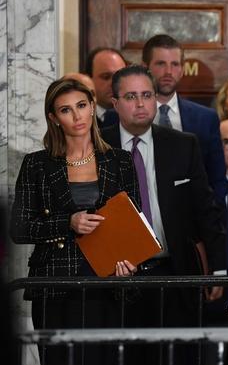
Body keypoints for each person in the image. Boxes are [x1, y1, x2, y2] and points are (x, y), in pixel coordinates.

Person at [10, 78, 139, 365]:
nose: (77, 116)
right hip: (55, 284)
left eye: (81, 105)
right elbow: (19, 228)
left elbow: (135, 222)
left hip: (108, 280)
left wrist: (130, 263)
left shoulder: (120, 160)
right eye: (66, 110)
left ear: (93, 107)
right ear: (54, 118)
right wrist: (67, 223)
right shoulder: (36, 164)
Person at [101, 65, 224, 364]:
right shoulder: (97, 148)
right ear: (115, 103)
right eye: (131, 96)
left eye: (147, 95)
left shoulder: (183, 144)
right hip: (116, 280)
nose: (140, 103)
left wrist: (219, 269)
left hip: (175, 274)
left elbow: (206, 210)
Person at [142, 34, 227, 205]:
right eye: (161, 64)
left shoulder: (206, 119)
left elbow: (217, 179)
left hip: (193, 214)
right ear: (145, 68)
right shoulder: (123, 115)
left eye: (175, 64)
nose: (168, 72)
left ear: (182, 69)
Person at [86, 47, 127, 127]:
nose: (114, 83)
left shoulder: (138, 117)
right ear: (88, 80)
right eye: (106, 77)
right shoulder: (79, 119)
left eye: (119, 76)